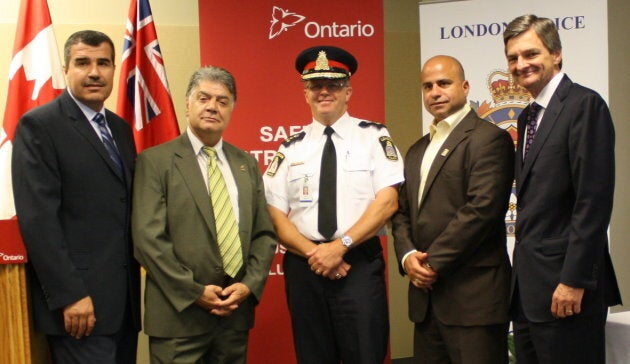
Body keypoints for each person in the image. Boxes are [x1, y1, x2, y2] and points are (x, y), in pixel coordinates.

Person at [263, 45, 404, 364]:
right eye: (315, 85)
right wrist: (317, 253)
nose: (324, 91)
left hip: (357, 263)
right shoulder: (290, 148)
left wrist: (340, 246)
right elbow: (273, 213)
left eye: (334, 84)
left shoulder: (374, 137)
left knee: (366, 354)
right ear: (305, 93)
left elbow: (388, 201)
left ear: (348, 91)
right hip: (305, 266)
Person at [132, 66, 277, 363]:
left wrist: (249, 284)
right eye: (204, 98)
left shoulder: (245, 163)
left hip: (234, 316)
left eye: (222, 101)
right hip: (179, 318)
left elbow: (264, 234)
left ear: (232, 108)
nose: (212, 106)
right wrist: (193, 291)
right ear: (187, 103)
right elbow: (148, 240)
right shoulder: (155, 161)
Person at [11, 30, 140, 363]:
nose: (94, 72)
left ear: (114, 69)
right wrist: (71, 295)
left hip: (122, 306)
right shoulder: (40, 126)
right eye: (82, 62)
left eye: (103, 63)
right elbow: (39, 220)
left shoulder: (120, 129)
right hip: (80, 310)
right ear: (66, 69)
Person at [503, 14, 622, 363]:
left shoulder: (584, 105)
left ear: (556, 54)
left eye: (530, 54)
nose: (521, 64)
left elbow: (593, 201)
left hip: (567, 291)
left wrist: (574, 280)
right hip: (529, 292)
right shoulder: (528, 117)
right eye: (513, 58)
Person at [391, 55, 514, 363]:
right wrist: (407, 258)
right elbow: (401, 212)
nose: (435, 92)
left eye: (444, 83)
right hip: (426, 301)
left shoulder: (490, 139)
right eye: (427, 86)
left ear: (465, 87)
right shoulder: (417, 150)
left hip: (474, 301)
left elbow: (481, 211)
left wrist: (431, 264)